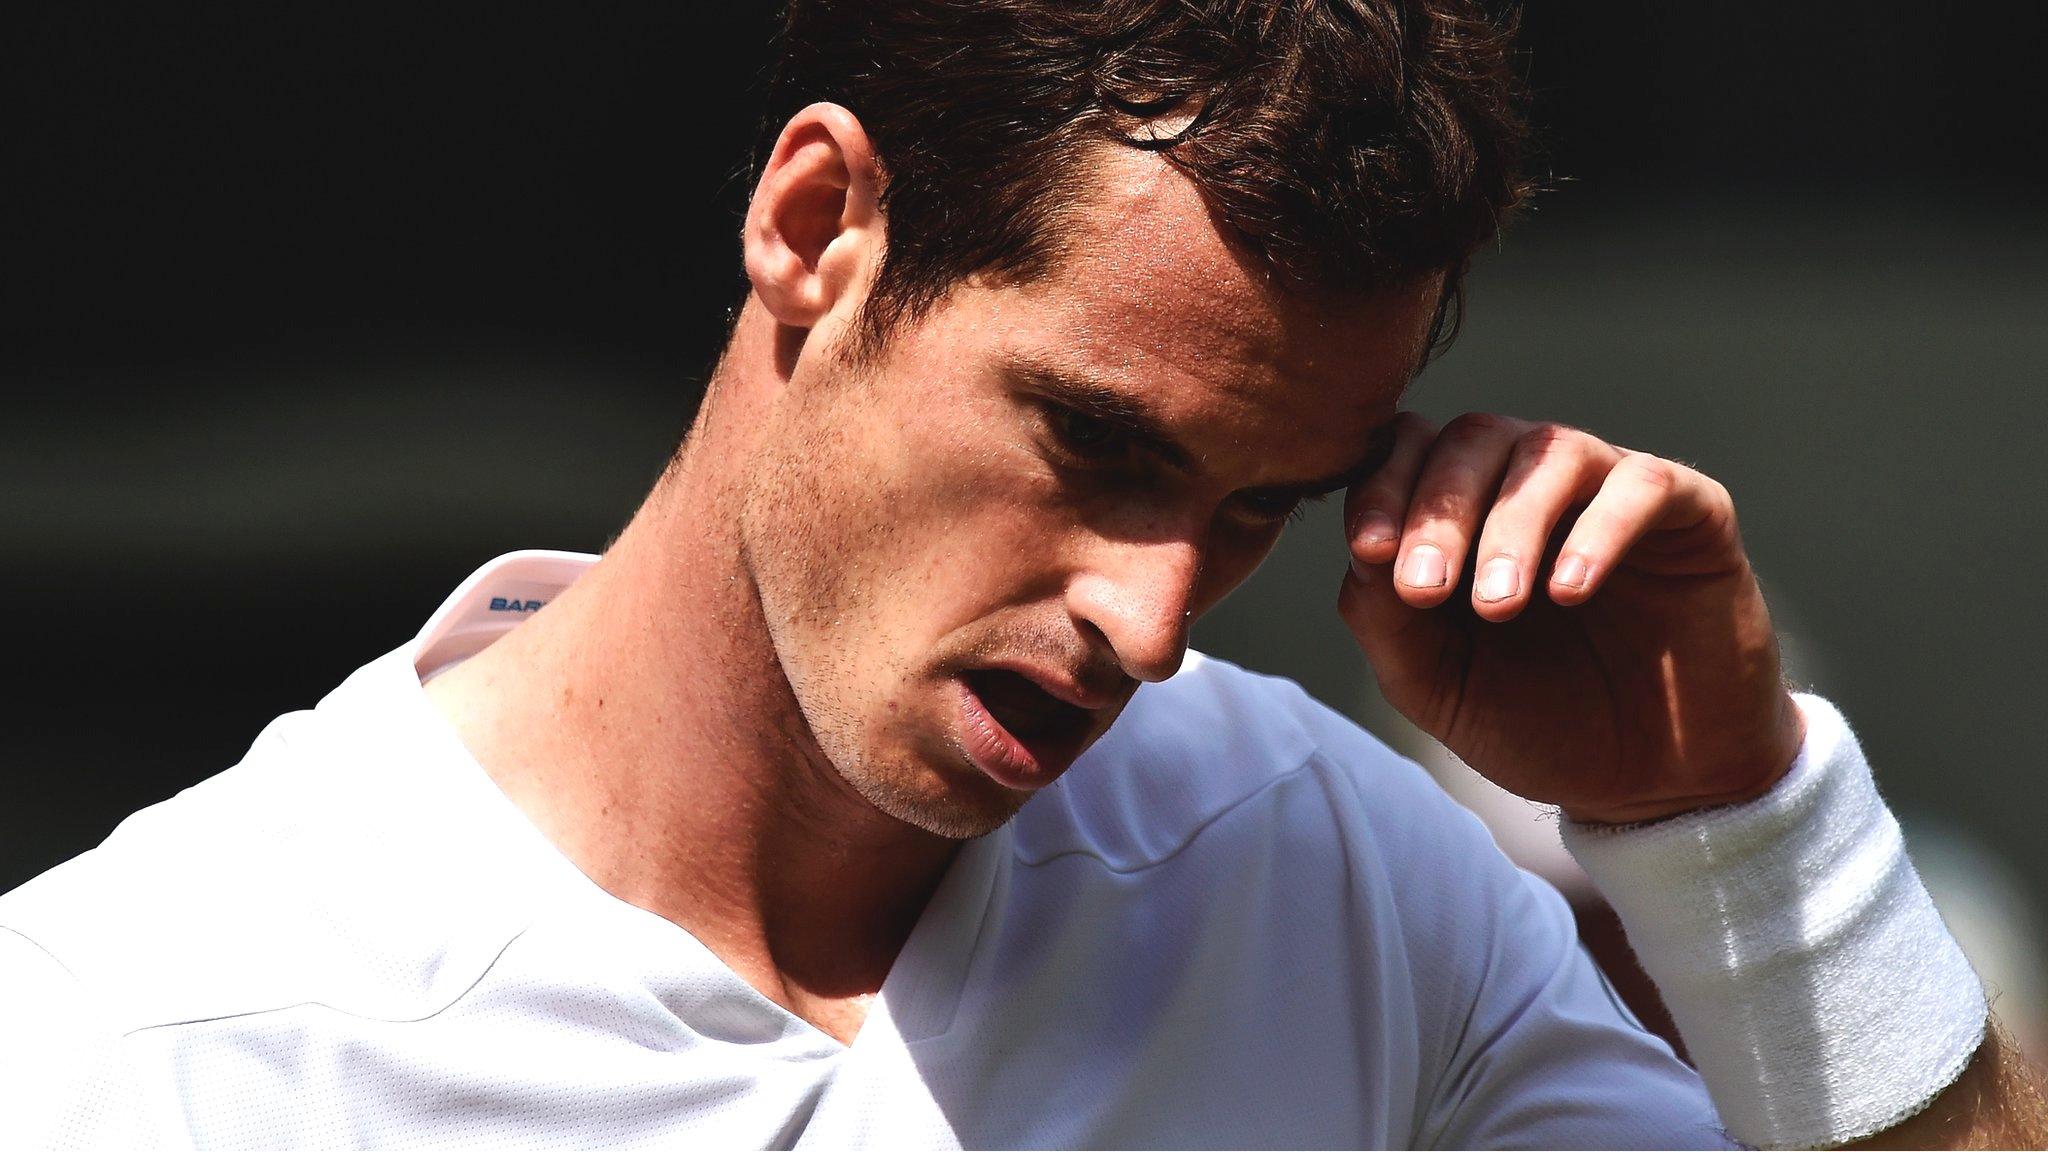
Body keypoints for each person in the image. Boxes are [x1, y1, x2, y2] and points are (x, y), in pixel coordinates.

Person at [3, 1, 2039, 1147]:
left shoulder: (1335, 876)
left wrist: (1739, 820)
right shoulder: (134, 1052)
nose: (1152, 623)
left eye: (1260, 506)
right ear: (818, 226)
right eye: (1098, 444)